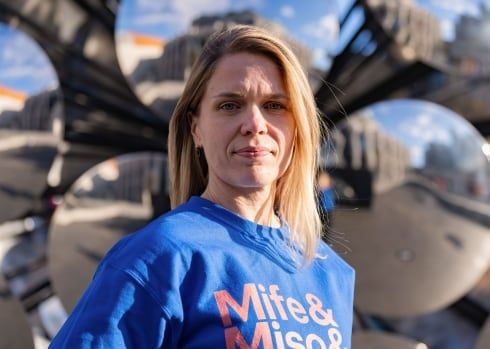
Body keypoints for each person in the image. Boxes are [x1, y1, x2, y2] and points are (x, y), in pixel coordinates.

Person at [50, 25, 355, 348]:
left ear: (298, 126)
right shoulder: (159, 256)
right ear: (196, 128)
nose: (254, 124)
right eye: (230, 105)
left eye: (275, 105)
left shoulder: (331, 273)